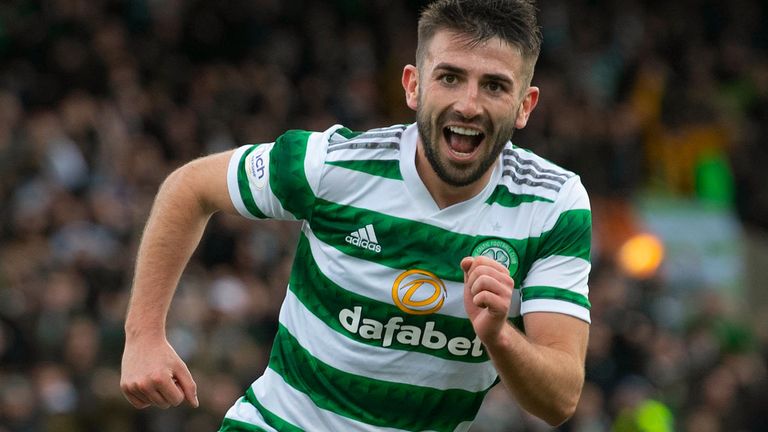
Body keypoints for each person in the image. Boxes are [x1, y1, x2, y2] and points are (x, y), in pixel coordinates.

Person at [120, 0, 592, 430]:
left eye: (494, 85)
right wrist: (143, 334)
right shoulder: (333, 165)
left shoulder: (553, 206)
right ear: (413, 86)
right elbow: (189, 187)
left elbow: (560, 399)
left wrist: (499, 336)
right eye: (449, 77)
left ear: (525, 105)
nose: (468, 105)